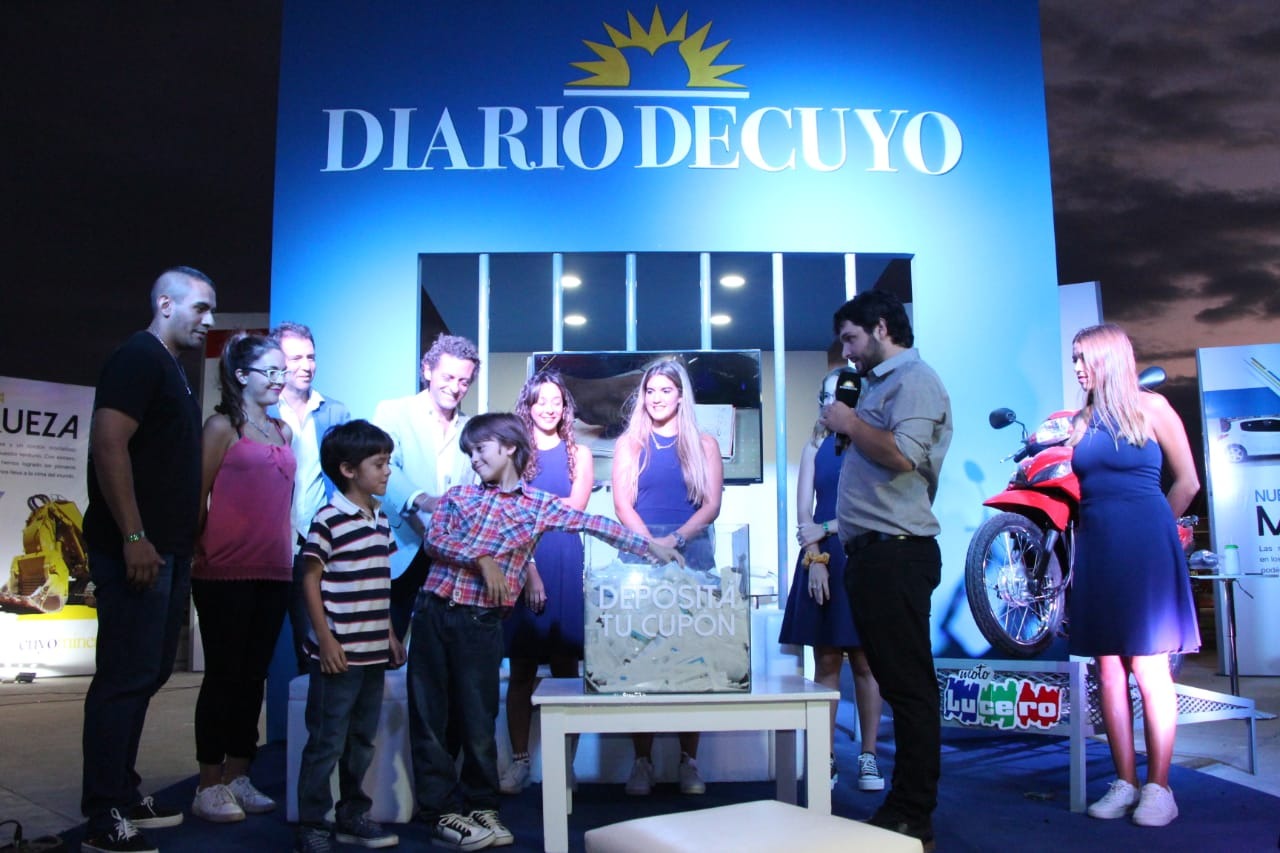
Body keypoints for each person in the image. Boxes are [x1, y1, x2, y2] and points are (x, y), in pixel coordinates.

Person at [409, 413, 682, 850]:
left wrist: (650, 546)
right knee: (430, 718)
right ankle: (440, 812)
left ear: (510, 447)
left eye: (480, 448)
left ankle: (481, 807)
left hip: (480, 623)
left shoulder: (538, 504)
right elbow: (435, 541)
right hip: (434, 613)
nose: (473, 458)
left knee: (478, 719)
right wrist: (483, 559)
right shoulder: (458, 497)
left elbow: (597, 525)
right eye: (469, 452)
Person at [80, 266, 216, 853]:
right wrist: (134, 535)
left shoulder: (172, 368)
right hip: (138, 550)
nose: (209, 321)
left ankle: (123, 790)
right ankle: (102, 813)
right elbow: (108, 443)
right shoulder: (138, 356)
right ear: (165, 303)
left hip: (168, 551)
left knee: (148, 673)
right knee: (123, 677)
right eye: (201, 308)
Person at [821, 290, 951, 851]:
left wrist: (850, 421)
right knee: (900, 683)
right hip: (873, 556)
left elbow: (903, 454)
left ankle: (913, 814)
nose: (847, 352)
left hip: (897, 553)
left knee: (910, 688)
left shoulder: (914, 380)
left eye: (851, 338)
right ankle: (904, 806)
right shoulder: (876, 385)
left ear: (880, 327)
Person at [1068, 324, 1200, 827]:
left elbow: (1188, 482)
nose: (1077, 367)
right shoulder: (1081, 420)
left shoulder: (1153, 408)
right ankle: (1124, 781)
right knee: (1107, 668)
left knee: (1148, 666)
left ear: (1109, 359)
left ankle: (1159, 787)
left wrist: (1157, 528)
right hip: (1098, 545)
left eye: (1083, 357)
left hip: (1146, 543)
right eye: (1074, 358)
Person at [190, 333, 296, 823]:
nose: (279, 380)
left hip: (275, 569)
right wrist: (196, 551)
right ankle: (208, 783)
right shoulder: (221, 427)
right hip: (224, 571)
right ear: (241, 375)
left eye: (282, 371)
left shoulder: (283, 431)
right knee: (224, 676)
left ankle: (238, 773)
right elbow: (197, 496)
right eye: (269, 371)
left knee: (254, 676)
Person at [611, 357, 723, 797]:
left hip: (692, 556)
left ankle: (688, 761)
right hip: (640, 560)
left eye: (666, 390)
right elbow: (623, 504)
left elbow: (711, 505)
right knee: (640, 663)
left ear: (680, 396)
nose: (657, 398)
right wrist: (652, 545)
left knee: (692, 663)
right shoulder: (630, 443)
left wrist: (675, 539)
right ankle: (642, 761)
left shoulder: (704, 443)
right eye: (650, 391)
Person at [295, 420, 405, 853]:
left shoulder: (380, 519)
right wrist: (325, 640)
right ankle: (312, 822)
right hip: (338, 655)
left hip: (372, 653)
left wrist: (390, 634)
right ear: (348, 469)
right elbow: (309, 579)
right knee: (327, 741)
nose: (387, 471)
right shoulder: (329, 519)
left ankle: (352, 813)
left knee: (362, 739)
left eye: (388, 462)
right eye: (379, 463)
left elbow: (379, 583)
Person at [779, 368, 885, 792]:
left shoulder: (872, 443)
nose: (832, 402)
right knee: (825, 661)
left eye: (839, 394)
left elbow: (874, 510)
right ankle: (824, 758)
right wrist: (815, 557)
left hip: (864, 557)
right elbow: (803, 513)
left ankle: (869, 756)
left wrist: (825, 529)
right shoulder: (814, 446)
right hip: (824, 559)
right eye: (826, 395)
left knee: (865, 662)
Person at [499, 372, 595, 795]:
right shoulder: (516, 452)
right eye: (541, 400)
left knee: (566, 669)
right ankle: (519, 762)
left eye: (556, 400)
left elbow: (575, 510)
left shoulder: (579, 453)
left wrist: (532, 507)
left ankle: (564, 769)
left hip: (566, 558)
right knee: (521, 668)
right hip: (524, 560)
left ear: (565, 407)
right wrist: (528, 564)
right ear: (529, 405)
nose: (549, 408)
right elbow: (510, 512)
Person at [373, 334, 479, 640]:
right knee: (384, 645)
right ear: (428, 370)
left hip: (449, 555)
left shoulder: (470, 427)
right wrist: (421, 499)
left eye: (464, 381)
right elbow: (383, 466)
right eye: (448, 377)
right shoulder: (393, 411)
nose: (455, 387)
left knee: (438, 648)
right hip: (401, 547)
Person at [268, 321, 352, 674]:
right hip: (268, 543)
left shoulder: (335, 412)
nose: (306, 365)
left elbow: (348, 482)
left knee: (315, 649)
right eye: (296, 358)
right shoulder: (263, 410)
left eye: (311, 357)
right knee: (255, 646)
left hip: (315, 545)